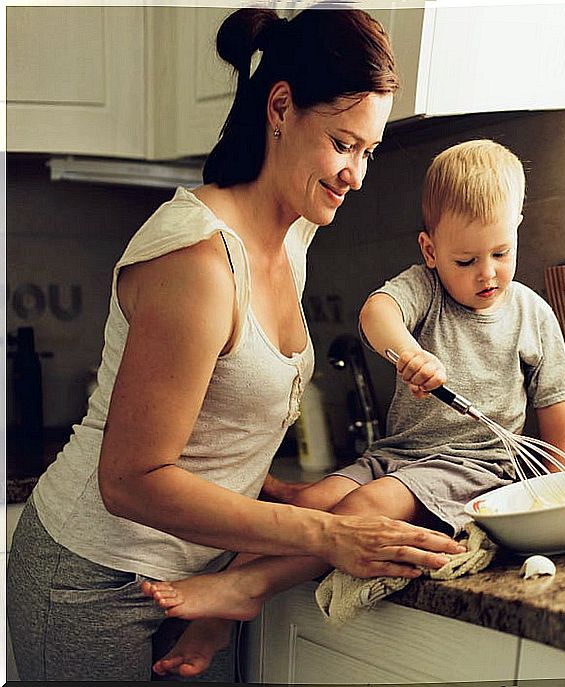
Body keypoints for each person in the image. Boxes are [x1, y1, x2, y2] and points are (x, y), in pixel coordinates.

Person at [6, 8, 466, 682]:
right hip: (89, 580)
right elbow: (130, 479)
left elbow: (212, 426)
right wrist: (330, 534)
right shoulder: (196, 260)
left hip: (204, 572)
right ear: (281, 107)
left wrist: (272, 489)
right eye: (344, 144)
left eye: (368, 151)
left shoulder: (295, 234)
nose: (357, 174)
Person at [138, 139, 565, 667]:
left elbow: (556, 414)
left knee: (363, 510)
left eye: (501, 253)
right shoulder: (425, 290)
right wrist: (409, 352)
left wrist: (554, 494)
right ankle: (212, 625)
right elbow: (377, 313)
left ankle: (252, 587)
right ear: (430, 250)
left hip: (475, 467)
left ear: (517, 231)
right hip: (399, 455)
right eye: (466, 260)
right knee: (306, 505)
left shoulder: (532, 315)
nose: (487, 273)